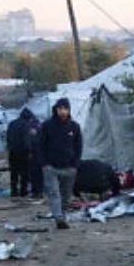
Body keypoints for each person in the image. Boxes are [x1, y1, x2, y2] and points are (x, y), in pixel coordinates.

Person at [36, 97, 83, 230]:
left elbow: (79, 147)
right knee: (54, 193)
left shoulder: (74, 127)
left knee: (66, 196)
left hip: (69, 168)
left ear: (69, 110)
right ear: (56, 110)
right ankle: (59, 218)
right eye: (60, 109)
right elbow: (40, 145)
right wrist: (44, 163)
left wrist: (75, 165)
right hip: (51, 167)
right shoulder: (47, 126)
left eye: (65, 109)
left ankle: (62, 215)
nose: (62, 111)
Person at [6, 108, 39, 199]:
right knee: (24, 173)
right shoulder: (26, 125)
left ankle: (13, 192)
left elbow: (8, 137)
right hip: (23, 152)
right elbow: (26, 140)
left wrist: (9, 147)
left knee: (14, 173)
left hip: (12, 151)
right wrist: (30, 151)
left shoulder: (12, 123)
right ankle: (23, 192)